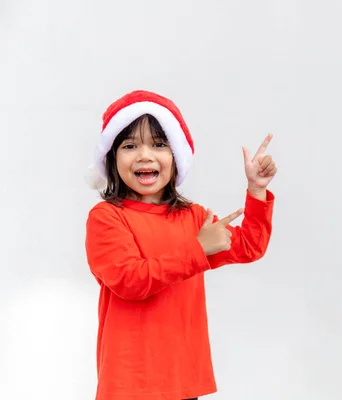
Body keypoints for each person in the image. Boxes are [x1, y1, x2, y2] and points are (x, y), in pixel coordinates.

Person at [84, 90, 276, 399]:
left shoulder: (193, 217)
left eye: (159, 144)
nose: (145, 155)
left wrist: (256, 190)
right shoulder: (106, 218)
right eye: (130, 145)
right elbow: (130, 280)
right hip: (130, 382)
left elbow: (250, 246)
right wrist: (198, 249)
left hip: (183, 378)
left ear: (176, 157)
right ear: (112, 157)